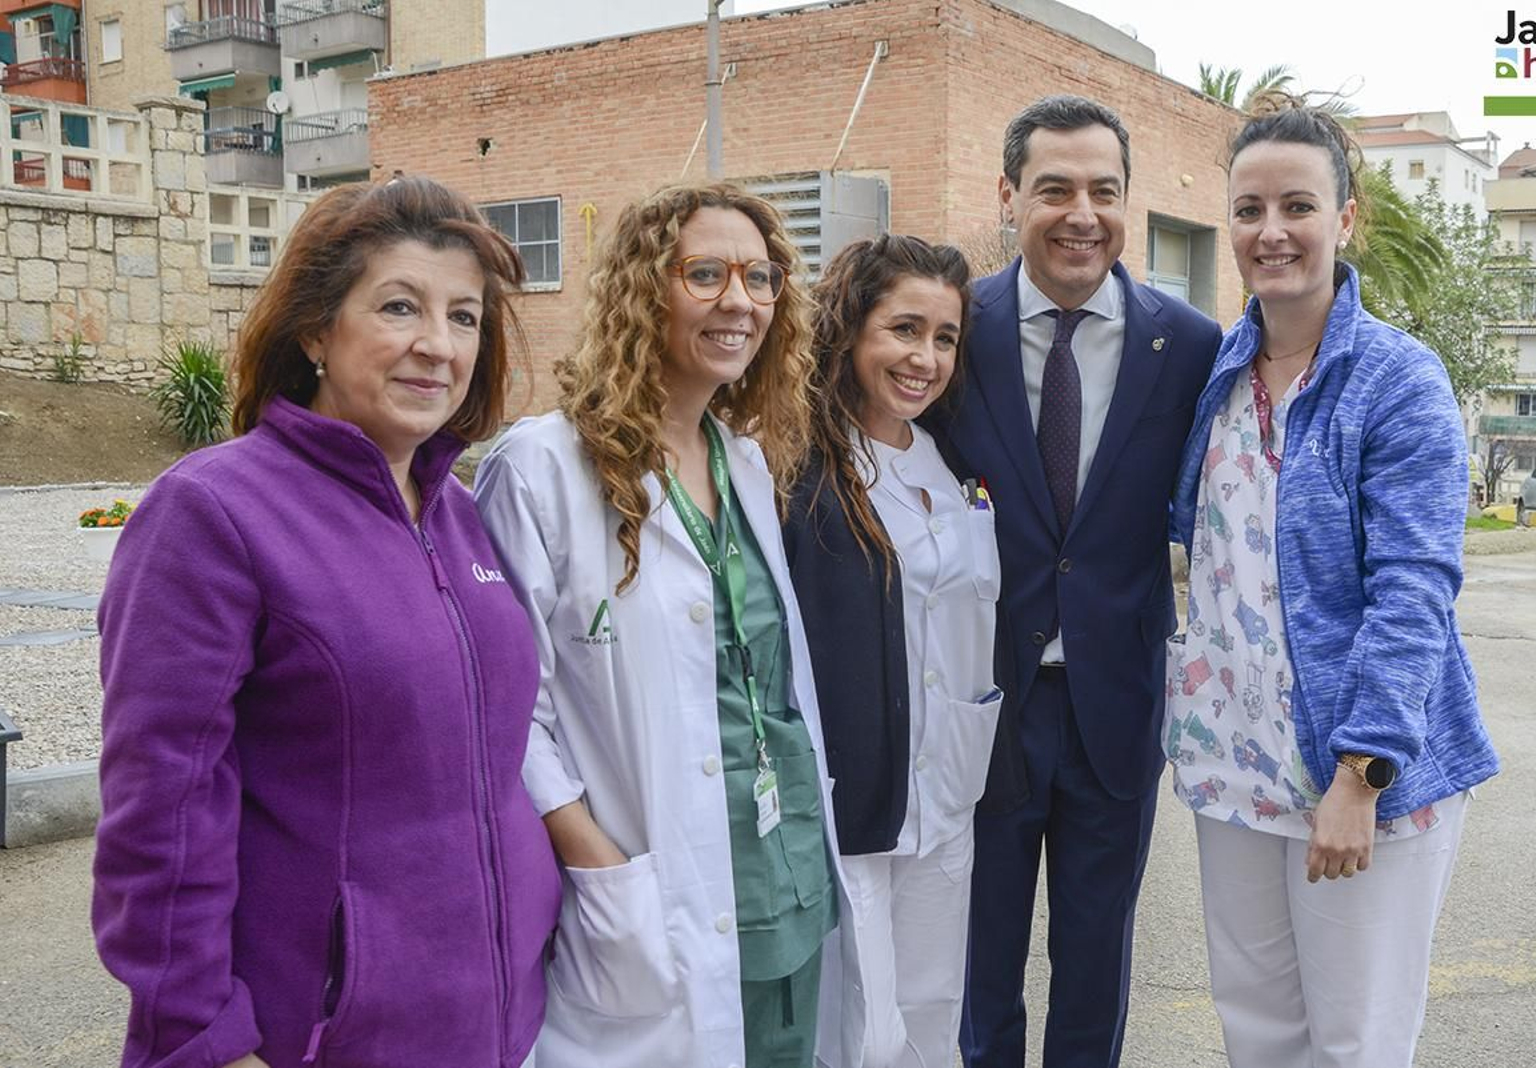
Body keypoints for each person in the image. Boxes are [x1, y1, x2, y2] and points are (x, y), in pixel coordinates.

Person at [92, 176, 562, 1068]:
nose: (438, 345)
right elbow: (162, 808)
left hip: (495, 1023)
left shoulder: (454, 507)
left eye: (465, 318)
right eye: (399, 307)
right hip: (313, 1034)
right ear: (316, 329)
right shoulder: (212, 512)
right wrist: (202, 1040)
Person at [474, 183, 871, 1068]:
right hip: (650, 888)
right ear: (644, 290)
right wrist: (599, 863)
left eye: (761, 277)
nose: (741, 300)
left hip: (788, 871)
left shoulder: (742, 460)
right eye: (706, 273)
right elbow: (509, 709)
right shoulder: (541, 469)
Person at [1165, 97, 1500, 1068]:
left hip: (1354, 770)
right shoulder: (1222, 373)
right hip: (1233, 763)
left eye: (1297, 206)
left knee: (1353, 1044)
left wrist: (1362, 772)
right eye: (1248, 209)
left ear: (1345, 218)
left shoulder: (1398, 380)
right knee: (1258, 1033)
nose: (1270, 232)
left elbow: (1414, 587)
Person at [930, 94, 1222, 1068]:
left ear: (1128, 203)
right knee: (981, 967)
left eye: (1103, 190)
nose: (1080, 213)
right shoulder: (948, 334)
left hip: (1114, 709)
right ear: (1007, 195)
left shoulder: (1185, 347)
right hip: (983, 703)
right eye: (1054, 188)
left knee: (1097, 965)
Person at [783, 235, 1001, 1068]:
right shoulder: (797, 463)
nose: (925, 358)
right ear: (850, 330)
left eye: (944, 337)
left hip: (948, 792)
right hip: (854, 801)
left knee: (931, 1017)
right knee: (859, 1033)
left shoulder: (956, 462)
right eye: (903, 329)